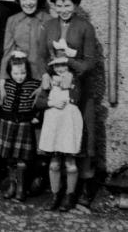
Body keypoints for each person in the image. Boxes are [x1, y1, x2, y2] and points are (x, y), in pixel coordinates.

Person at [38, 0, 103, 208]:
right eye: (59, 5)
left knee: (82, 137)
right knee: (57, 138)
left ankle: (81, 190)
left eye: (68, 5)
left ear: (75, 6)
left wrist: (69, 64)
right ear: (54, 6)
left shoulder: (85, 27)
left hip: (79, 91)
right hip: (56, 89)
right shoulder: (48, 26)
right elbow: (40, 57)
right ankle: (56, 192)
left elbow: (90, 62)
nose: (63, 9)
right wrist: (45, 76)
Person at [0, 52, 44, 202]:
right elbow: (1, 104)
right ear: (10, 73)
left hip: (24, 124)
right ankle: (12, 186)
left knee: (22, 157)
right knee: (10, 158)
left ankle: (21, 189)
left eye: (23, 72)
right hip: (8, 124)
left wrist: (37, 117)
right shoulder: (7, 84)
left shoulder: (33, 84)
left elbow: (40, 102)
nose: (19, 76)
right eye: (16, 73)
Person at [39, 52, 84, 211]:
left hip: (68, 123)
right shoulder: (47, 81)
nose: (60, 68)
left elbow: (77, 98)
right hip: (54, 123)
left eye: (63, 65)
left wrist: (66, 84)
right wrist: (51, 102)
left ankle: (69, 195)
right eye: (57, 65)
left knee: (70, 163)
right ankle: (55, 194)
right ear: (52, 67)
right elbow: (39, 101)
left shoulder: (74, 80)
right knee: (55, 163)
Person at [0, 0, 50, 81]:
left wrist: (44, 84)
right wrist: (2, 80)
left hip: (42, 77)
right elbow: (8, 53)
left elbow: (53, 55)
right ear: (19, 0)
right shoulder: (12, 20)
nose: (28, 3)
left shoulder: (49, 21)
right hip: (19, 77)